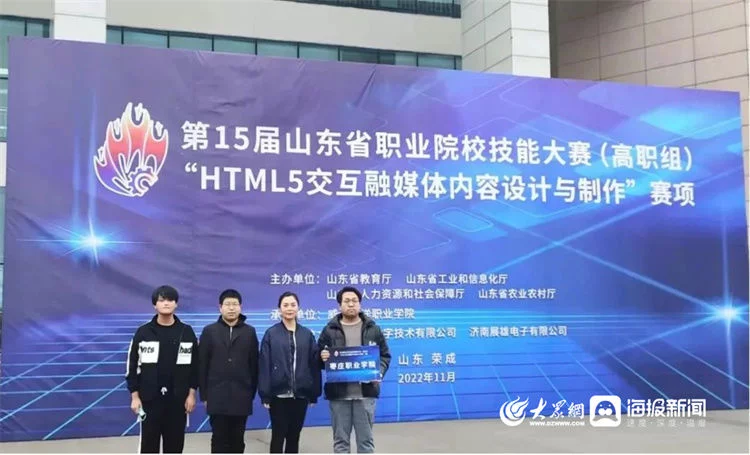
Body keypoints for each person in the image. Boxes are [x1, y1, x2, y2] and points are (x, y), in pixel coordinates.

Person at [125, 285, 199, 454]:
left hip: (178, 401)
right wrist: (135, 397)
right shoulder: (143, 332)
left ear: (176, 304)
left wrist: (191, 394)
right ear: (155, 305)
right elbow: (132, 366)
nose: (166, 303)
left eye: (170, 300)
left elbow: (195, 367)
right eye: (161, 300)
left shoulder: (186, 332)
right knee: (148, 447)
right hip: (150, 401)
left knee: (174, 447)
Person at [318, 286, 391, 454]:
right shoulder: (329, 330)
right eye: (346, 301)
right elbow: (318, 359)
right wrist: (322, 357)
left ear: (360, 304)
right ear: (339, 305)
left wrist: (378, 372)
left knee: (366, 442)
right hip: (339, 396)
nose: (351, 304)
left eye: (354, 301)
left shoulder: (373, 328)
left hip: (365, 393)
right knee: (340, 442)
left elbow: (385, 356)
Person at [259, 291, 322, 453]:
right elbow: (264, 365)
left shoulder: (307, 334)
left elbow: (314, 364)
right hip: (278, 395)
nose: (289, 308)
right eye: (285, 305)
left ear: (298, 308)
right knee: (278, 435)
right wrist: (265, 394)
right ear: (279, 309)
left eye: (293, 305)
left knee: (294, 436)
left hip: (300, 394)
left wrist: (313, 393)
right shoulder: (271, 334)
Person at [199, 289, 260, 453]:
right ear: (220, 307)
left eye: (235, 304)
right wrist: (204, 395)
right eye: (227, 304)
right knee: (218, 439)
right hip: (216, 395)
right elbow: (202, 365)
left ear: (240, 307)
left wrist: (250, 393)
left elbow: (254, 365)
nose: (231, 308)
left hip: (241, 395)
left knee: (238, 440)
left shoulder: (249, 332)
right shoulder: (209, 331)